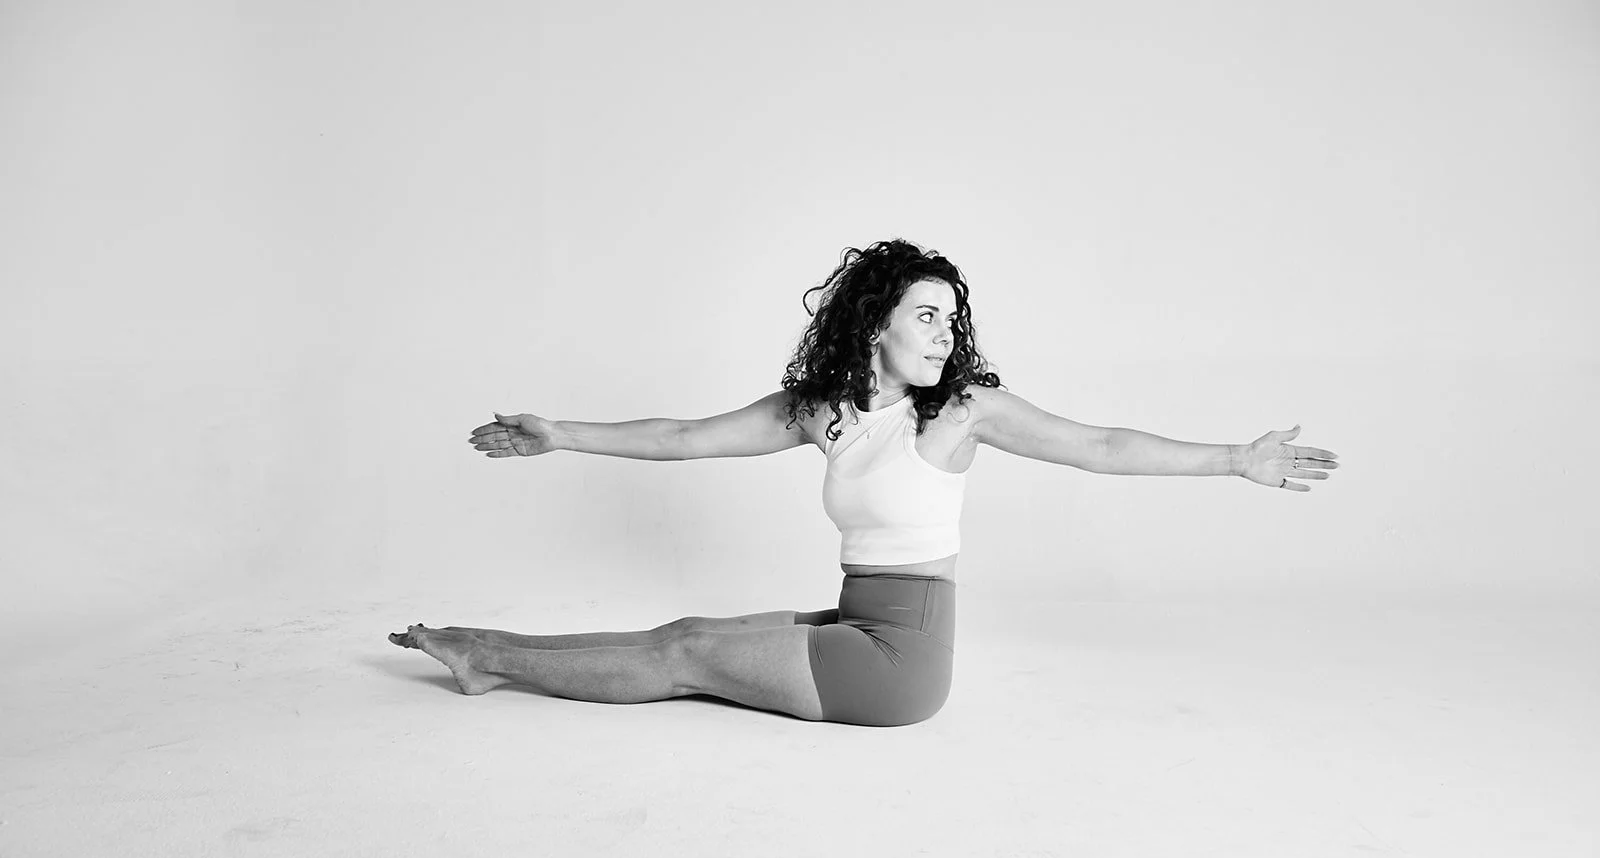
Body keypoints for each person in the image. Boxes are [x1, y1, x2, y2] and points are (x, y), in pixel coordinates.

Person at [389, 238, 1339, 726]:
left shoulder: (961, 412)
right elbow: (683, 437)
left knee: (684, 653)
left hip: (904, 659)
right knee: (685, 629)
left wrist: (1236, 458)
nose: (944, 334)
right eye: (925, 315)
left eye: (950, 320)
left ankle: (489, 659)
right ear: (874, 321)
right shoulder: (825, 412)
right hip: (857, 617)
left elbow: (1100, 445)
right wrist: (560, 434)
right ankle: (490, 653)